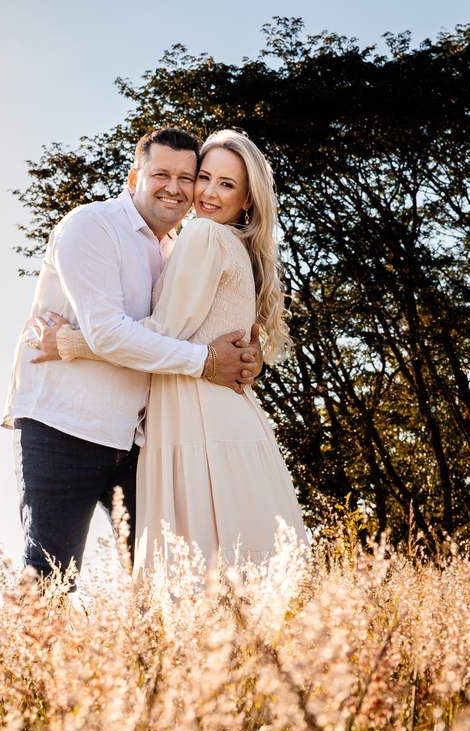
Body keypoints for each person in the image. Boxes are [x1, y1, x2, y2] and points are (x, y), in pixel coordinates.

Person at [31, 130, 306, 576]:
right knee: (231, 561)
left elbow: (164, 331)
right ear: (133, 177)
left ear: (248, 199)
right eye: (206, 178)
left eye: (226, 184)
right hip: (156, 419)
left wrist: (68, 342)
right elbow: (190, 336)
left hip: (191, 415)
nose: (204, 192)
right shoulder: (208, 243)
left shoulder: (199, 238)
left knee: (187, 571)